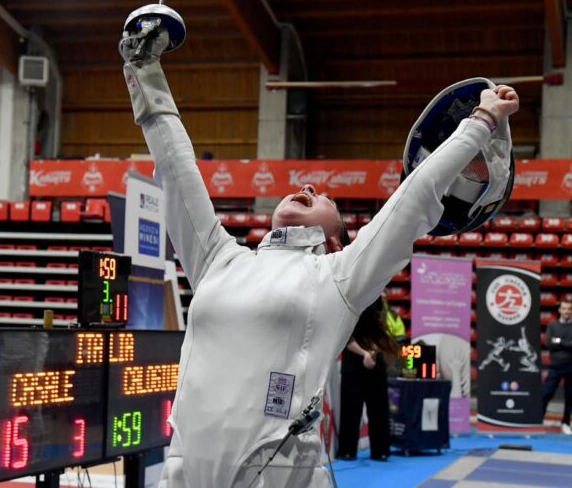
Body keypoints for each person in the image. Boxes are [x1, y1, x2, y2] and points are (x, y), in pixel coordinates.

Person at [120, 25, 519, 488]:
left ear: (336, 240)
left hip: (278, 476)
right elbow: (175, 168)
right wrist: (143, 66)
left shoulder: (340, 277)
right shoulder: (217, 259)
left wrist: (481, 123)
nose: (308, 187)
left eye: (323, 196)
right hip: (183, 472)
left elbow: (415, 200)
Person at [337, 290, 401, 462]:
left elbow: (384, 335)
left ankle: (380, 451)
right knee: (350, 410)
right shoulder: (350, 302)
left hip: (375, 364)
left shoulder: (380, 304)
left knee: (379, 409)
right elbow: (345, 337)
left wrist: (372, 352)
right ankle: (347, 451)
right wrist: (364, 353)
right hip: (353, 364)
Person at [542, 300, 572, 435]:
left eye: (569, 309)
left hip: (571, 366)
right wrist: (566, 343)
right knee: (546, 393)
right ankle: (538, 420)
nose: (566, 311)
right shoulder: (552, 325)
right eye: (564, 308)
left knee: (570, 397)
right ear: (559, 310)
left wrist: (558, 341)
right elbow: (548, 343)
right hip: (555, 366)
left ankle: (565, 423)